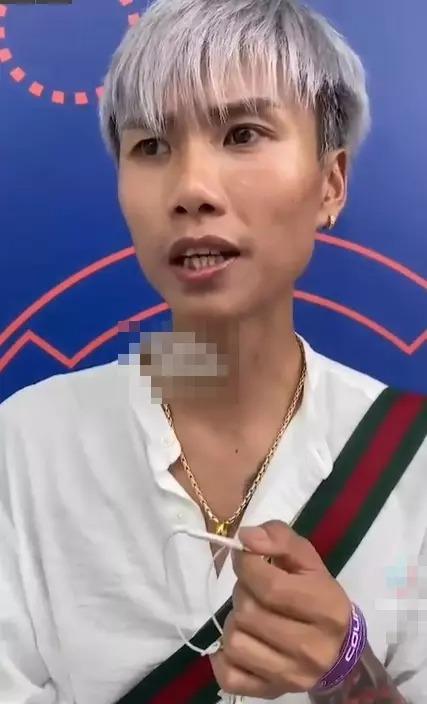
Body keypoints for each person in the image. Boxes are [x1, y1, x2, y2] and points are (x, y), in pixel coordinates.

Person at [0, 0, 426, 702]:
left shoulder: (412, 466)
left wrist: (350, 673)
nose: (191, 189)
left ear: (330, 183)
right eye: (151, 146)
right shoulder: (27, 445)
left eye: (242, 133)